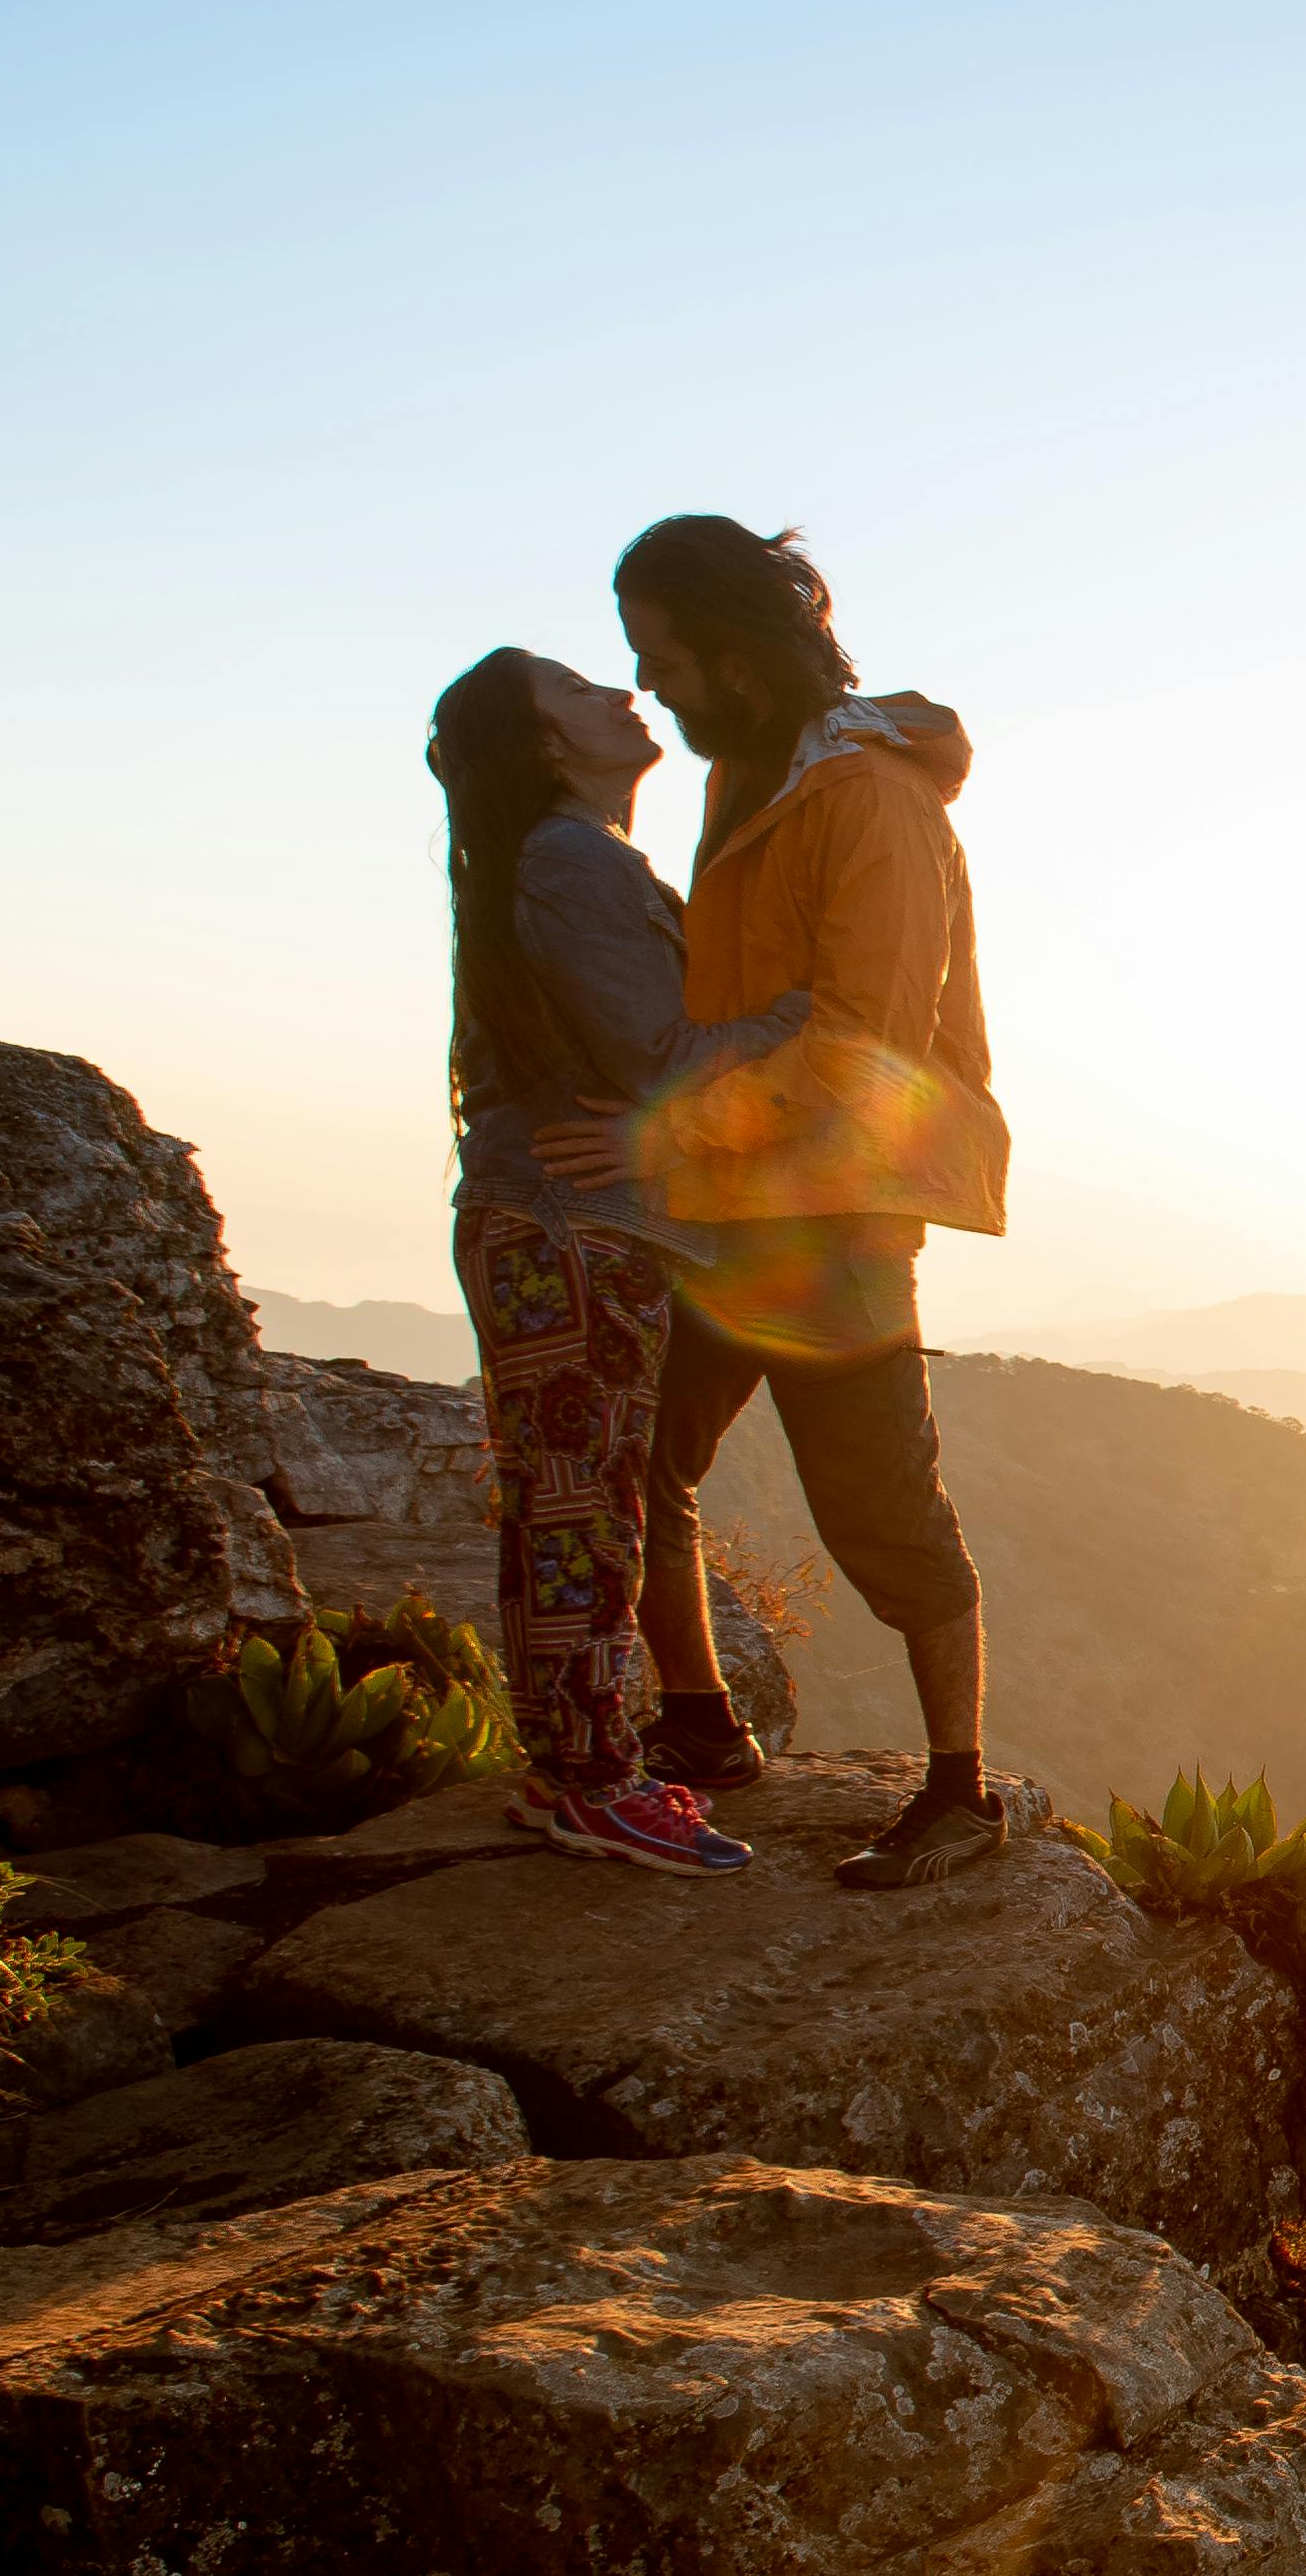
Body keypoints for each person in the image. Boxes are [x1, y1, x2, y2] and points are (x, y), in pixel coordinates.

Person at [591, 513, 1026, 1892]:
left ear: (738, 652)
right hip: (729, 1203)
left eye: (665, 660)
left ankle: (961, 1792)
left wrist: (662, 1132)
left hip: (833, 1213)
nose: (654, 690)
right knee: (639, 1456)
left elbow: (863, 1047)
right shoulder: (753, 777)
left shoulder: (868, 800)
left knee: (880, 1505)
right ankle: (704, 1728)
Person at [424, 646, 751, 1872]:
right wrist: (810, 1012)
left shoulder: (565, 860)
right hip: (570, 1229)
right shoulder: (572, 859)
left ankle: (575, 1767)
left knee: (577, 1496)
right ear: (546, 745)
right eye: (577, 691)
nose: (620, 694)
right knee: (582, 1503)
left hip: (558, 1223)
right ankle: (592, 1781)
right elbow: (665, 1059)